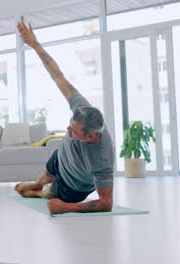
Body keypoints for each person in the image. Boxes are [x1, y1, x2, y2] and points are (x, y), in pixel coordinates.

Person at [14, 21, 115, 214]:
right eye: (70, 126)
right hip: (61, 158)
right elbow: (57, 76)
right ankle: (37, 184)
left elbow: (106, 203)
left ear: (90, 137)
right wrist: (35, 44)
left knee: (51, 195)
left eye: (73, 131)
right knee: (49, 169)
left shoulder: (102, 158)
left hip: (73, 186)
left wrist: (66, 207)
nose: (67, 132)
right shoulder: (82, 108)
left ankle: (40, 193)